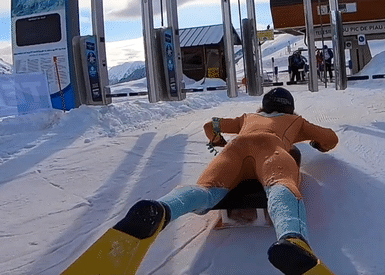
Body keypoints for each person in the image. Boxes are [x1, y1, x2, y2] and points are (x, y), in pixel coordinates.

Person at [126, 87, 338, 273]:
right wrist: (318, 145)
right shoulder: (295, 121)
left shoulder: (246, 118)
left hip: (234, 150)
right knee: (281, 184)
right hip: (271, 149)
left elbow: (211, 124)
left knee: (206, 190)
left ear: (263, 106)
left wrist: (219, 142)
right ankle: (292, 237)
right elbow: (330, 137)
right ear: (290, 108)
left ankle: (163, 207)